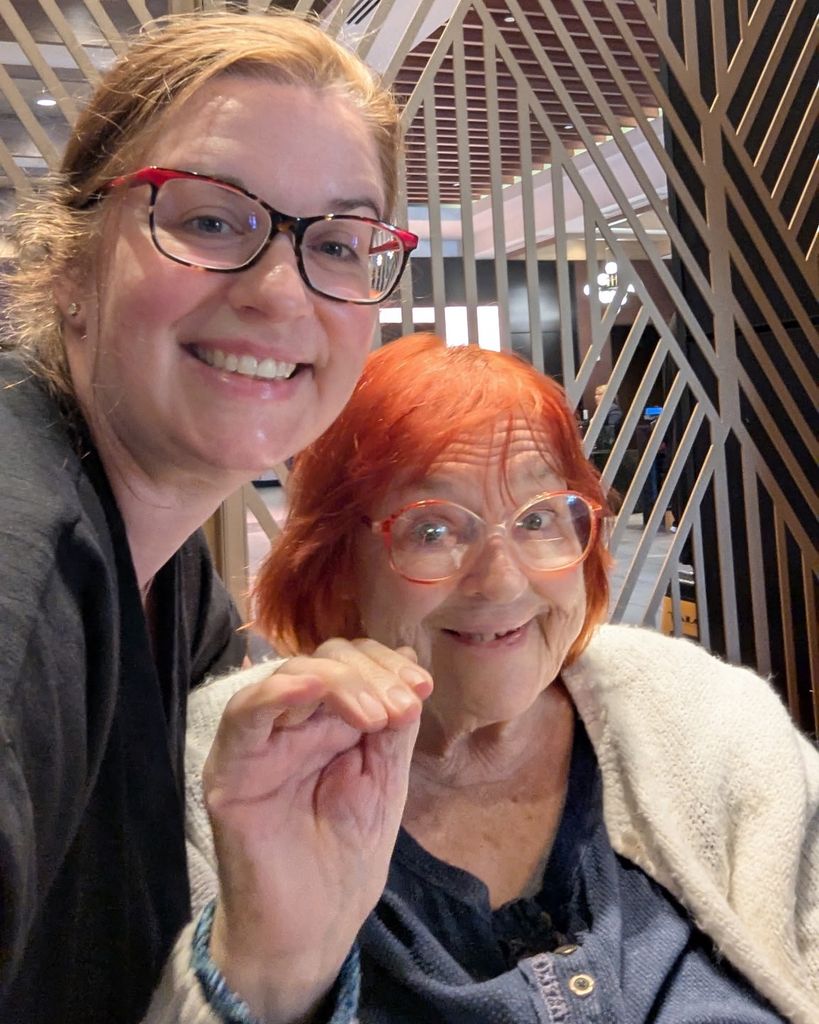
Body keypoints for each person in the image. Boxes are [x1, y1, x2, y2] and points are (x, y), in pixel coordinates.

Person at [185, 334, 818, 1024]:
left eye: (538, 519)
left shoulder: (707, 720)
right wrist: (270, 962)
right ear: (335, 566)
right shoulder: (231, 777)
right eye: (432, 530)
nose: (502, 582)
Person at [0, 11, 420, 1022]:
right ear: (70, 264)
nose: (280, 295)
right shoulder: (23, 583)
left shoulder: (174, 588)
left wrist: (274, 960)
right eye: (209, 221)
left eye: (338, 243)